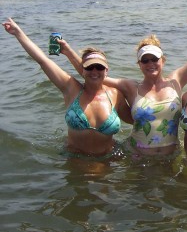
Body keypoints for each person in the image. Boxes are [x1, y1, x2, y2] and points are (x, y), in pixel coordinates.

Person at [61, 5, 187, 158]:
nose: (150, 64)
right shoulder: (130, 86)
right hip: (137, 156)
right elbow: (93, 74)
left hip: (170, 156)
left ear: (163, 60)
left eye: (154, 59)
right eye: (145, 60)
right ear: (139, 64)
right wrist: (68, 52)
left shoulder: (175, 81)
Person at [2, 18, 132, 157]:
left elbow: (135, 121)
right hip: (75, 160)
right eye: (89, 67)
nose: (94, 71)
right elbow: (43, 60)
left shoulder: (116, 95)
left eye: (99, 67)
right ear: (82, 70)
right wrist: (18, 33)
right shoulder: (71, 88)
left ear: (106, 70)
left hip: (108, 160)